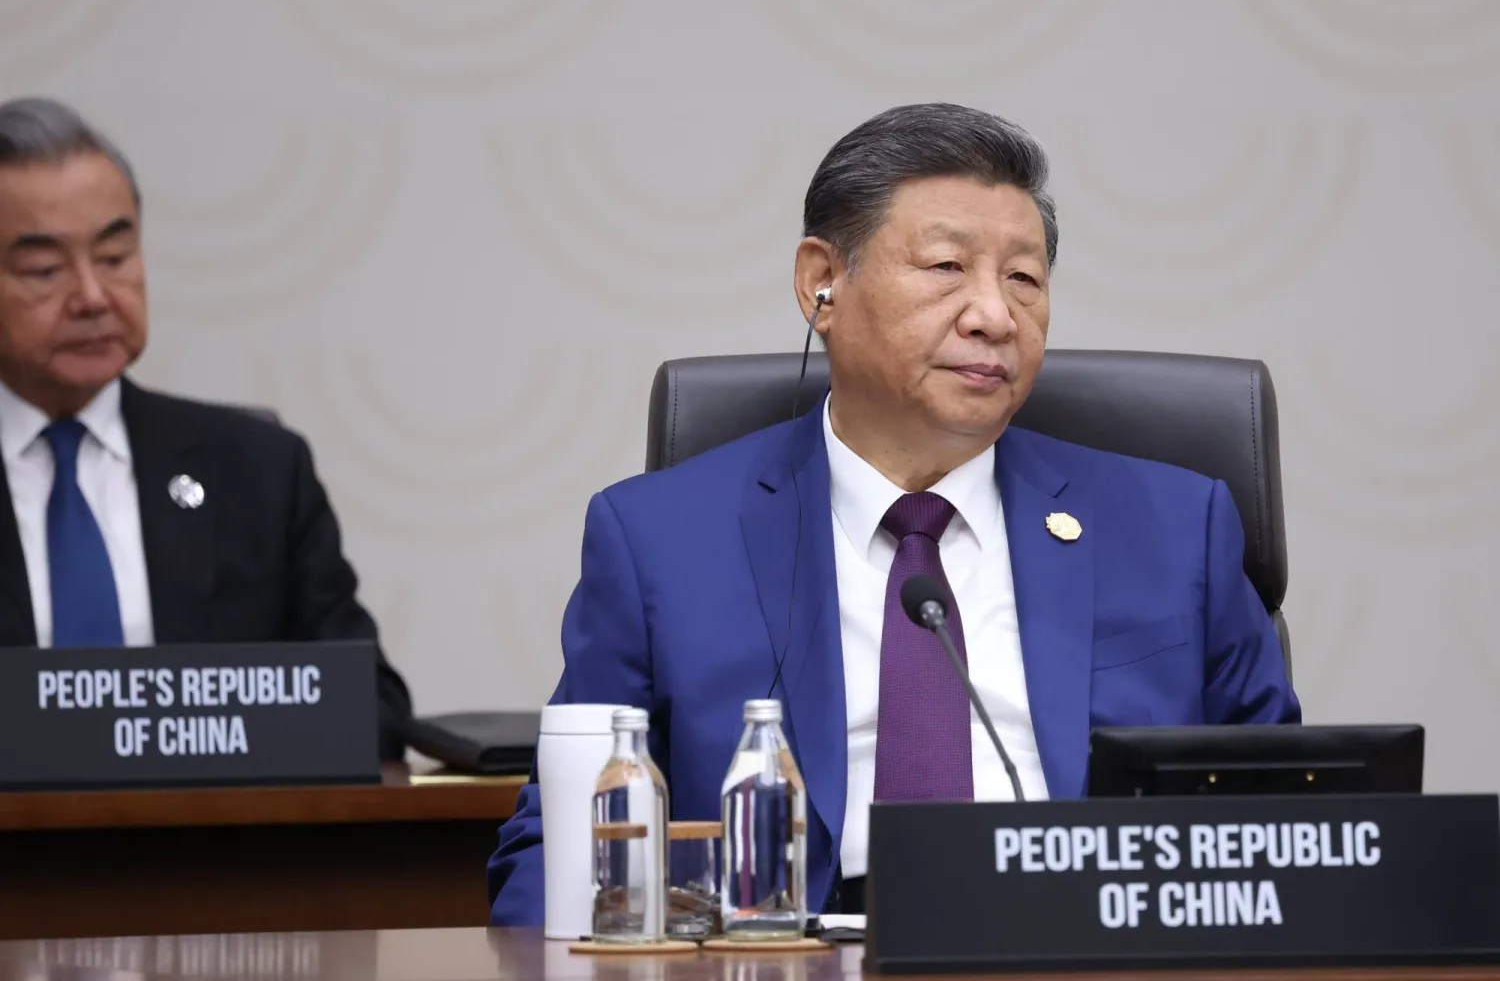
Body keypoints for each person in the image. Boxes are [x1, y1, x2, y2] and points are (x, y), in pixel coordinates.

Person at [486, 103, 1299, 922]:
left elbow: (1288, 826)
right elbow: (558, 850)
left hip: (1082, 950)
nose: (995, 316)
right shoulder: (659, 541)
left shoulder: (1175, 529)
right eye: (947, 266)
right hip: (785, 956)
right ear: (821, 285)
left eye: (1024, 279)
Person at [0, 97, 412, 760]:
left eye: (115, 255)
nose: (93, 297)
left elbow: (371, 706)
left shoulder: (257, 472)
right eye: (44, 271)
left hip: (210, 829)